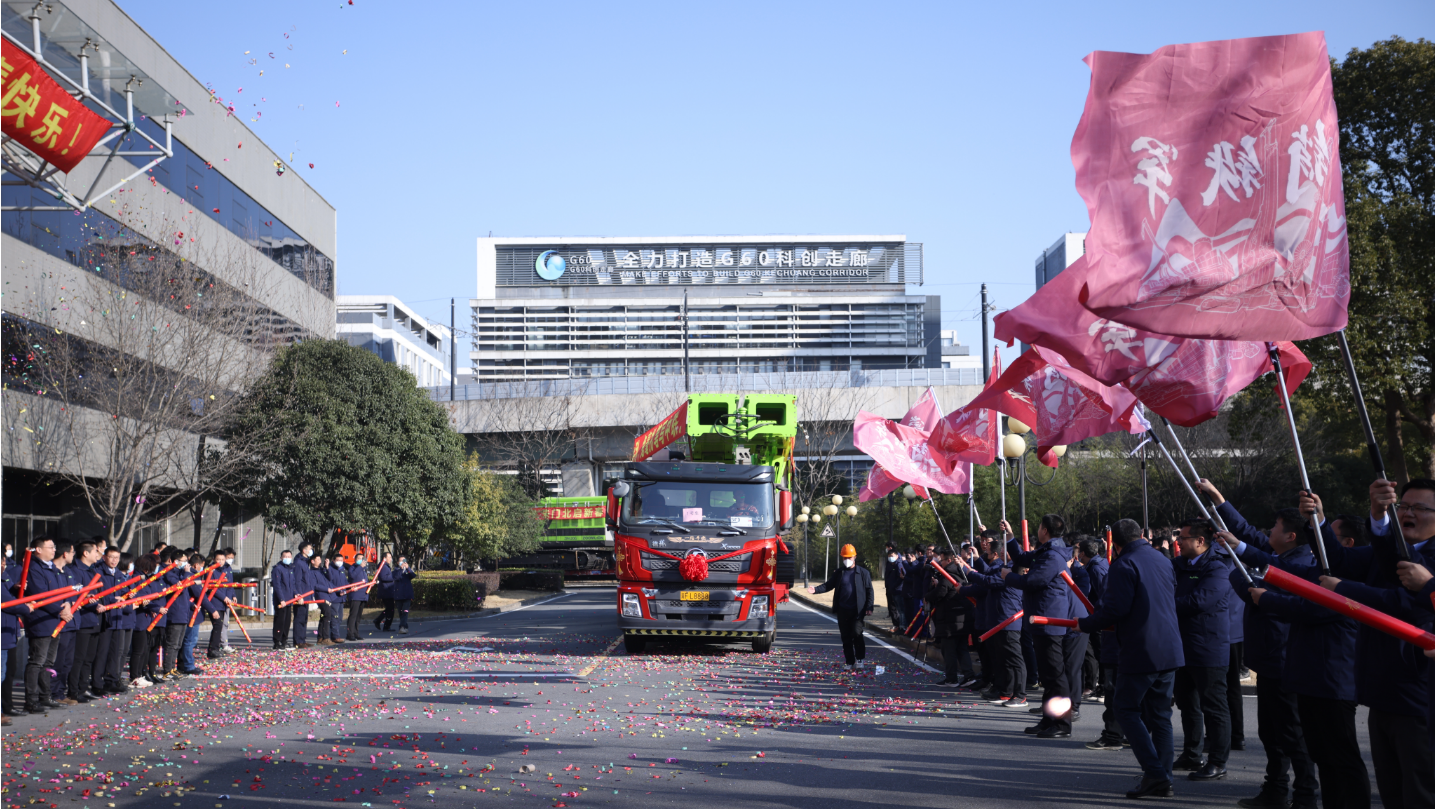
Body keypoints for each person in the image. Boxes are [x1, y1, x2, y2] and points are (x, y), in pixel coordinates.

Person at [1223, 502, 1367, 809]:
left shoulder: (1348, 579)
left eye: (1327, 535)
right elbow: (1283, 570)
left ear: (1346, 545)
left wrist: (1266, 598)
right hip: (1307, 673)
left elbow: (1311, 607)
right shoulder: (1317, 569)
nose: (1318, 541)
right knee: (1320, 753)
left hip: (1331, 678)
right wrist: (1241, 549)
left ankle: (1305, 797)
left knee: (1337, 755)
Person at [1316, 480, 1435, 809]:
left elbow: (1400, 602)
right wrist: (1372, 514)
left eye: (1420, 508)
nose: (1408, 513)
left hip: (1418, 697)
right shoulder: (1386, 550)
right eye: (1404, 506)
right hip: (1380, 691)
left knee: (1420, 792)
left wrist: (1344, 591)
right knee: (1391, 791)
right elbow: (1339, 560)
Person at [1077, 518, 1184, 800]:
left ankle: (1156, 773)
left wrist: (1084, 624)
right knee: (1160, 715)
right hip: (1169, 647)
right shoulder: (1163, 559)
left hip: (1142, 649)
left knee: (1125, 709)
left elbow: (1115, 609)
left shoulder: (1123, 565)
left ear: (1117, 543)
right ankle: (1162, 776)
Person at [1005, 514, 1079, 738]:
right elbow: (1022, 558)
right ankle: (1048, 719)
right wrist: (1010, 536)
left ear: (1045, 530)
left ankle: (1062, 724)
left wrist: (1008, 576)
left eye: (1039, 527)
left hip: (1049, 620)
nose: (1037, 530)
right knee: (1049, 676)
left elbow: (1032, 581)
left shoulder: (1052, 556)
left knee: (1056, 676)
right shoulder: (1046, 551)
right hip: (1040, 619)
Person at [1170, 519, 1233, 782]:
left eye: (1183, 538)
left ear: (1200, 541)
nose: (1178, 542)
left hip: (1208, 648)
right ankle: (1191, 753)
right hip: (1182, 646)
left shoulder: (1218, 568)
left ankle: (1218, 761)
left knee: (1214, 707)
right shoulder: (1177, 565)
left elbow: (1200, 601)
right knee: (1187, 704)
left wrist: (1165, 604)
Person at [21, 537, 74, 713]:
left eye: (54, 547)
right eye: (50, 547)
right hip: (41, 621)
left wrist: (67, 605)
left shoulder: (52, 568)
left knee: (48, 662)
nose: (54, 550)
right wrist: (61, 610)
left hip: (55, 620)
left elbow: (63, 591)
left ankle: (45, 696)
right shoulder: (34, 569)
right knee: (37, 661)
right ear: (38, 549)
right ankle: (31, 700)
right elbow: (41, 597)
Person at [807, 544, 873, 669]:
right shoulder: (839, 573)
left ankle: (860, 659)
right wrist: (815, 590)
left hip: (857, 610)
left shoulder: (863, 573)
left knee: (857, 633)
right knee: (846, 636)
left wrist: (869, 607)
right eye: (844, 558)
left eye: (849, 557)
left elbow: (870, 591)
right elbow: (828, 585)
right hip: (842, 610)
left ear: (855, 557)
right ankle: (849, 661)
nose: (847, 560)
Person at [926, 552, 973, 686]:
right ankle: (969, 676)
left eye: (942, 560)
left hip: (949, 618)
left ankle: (951, 678)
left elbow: (941, 592)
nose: (941, 563)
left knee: (949, 650)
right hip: (962, 617)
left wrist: (928, 596)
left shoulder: (947, 575)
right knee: (962, 648)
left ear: (950, 560)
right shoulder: (963, 572)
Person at [271, 549, 299, 651]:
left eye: (289, 557)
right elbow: (277, 585)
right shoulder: (277, 569)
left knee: (287, 622)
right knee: (280, 621)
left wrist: (296, 593)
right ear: (281, 558)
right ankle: (277, 642)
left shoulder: (290, 569)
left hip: (289, 600)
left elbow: (293, 584)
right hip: (281, 601)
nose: (287, 558)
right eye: (285, 557)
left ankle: (284, 641)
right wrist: (281, 599)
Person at [307, 553, 334, 646]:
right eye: (318, 559)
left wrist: (327, 567)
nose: (320, 561)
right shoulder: (311, 572)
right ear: (312, 561)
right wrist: (326, 589)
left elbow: (330, 578)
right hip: (321, 596)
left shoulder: (322, 570)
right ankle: (325, 637)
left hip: (327, 596)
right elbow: (315, 585)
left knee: (324, 616)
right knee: (327, 615)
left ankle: (321, 637)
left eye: (320, 559)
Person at [345, 554, 370, 641]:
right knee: (353, 615)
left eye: (362, 559)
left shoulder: (364, 570)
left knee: (358, 616)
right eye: (359, 558)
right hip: (355, 595)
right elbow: (352, 576)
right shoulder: (353, 567)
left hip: (363, 595)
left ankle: (356, 632)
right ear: (355, 559)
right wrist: (360, 567)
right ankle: (350, 633)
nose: (361, 560)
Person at [325, 552, 348, 644]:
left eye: (341, 560)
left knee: (340, 618)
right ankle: (335, 636)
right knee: (334, 617)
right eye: (338, 560)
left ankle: (335, 635)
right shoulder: (330, 569)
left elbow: (345, 582)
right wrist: (338, 591)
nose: (340, 562)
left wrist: (350, 588)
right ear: (333, 561)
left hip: (342, 598)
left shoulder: (342, 570)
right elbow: (330, 582)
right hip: (334, 597)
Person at [883, 544, 906, 633]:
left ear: (897, 556)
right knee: (897, 609)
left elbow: (901, 577)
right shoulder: (891, 564)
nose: (890, 558)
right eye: (889, 556)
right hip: (892, 590)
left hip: (898, 590)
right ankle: (899, 626)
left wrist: (893, 586)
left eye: (892, 556)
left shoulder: (898, 564)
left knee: (901, 610)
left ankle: (902, 627)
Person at [391, 557, 417, 634]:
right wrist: (401, 569)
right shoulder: (395, 571)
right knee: (401, 612)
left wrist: (408, 568)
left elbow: (413, 575)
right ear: (398, 562)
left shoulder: (407, 571)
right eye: (401, 561)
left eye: (404, 561)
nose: (402, 562)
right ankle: (405, 626)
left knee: (405, 611)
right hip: (398, 595)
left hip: (407, 595)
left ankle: (402, 627)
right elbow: (396, 577)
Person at [372, 553, 396, 632]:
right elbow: (383, 577)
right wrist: (393, 576)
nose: (390, 559)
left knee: (390, 609)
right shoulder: (383, 566)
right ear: (384, 558)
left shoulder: (385, 566)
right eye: (389, 557)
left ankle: (382, 623)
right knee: (390, 609)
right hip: (386, 591)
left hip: (387, 591)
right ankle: (382, 623)